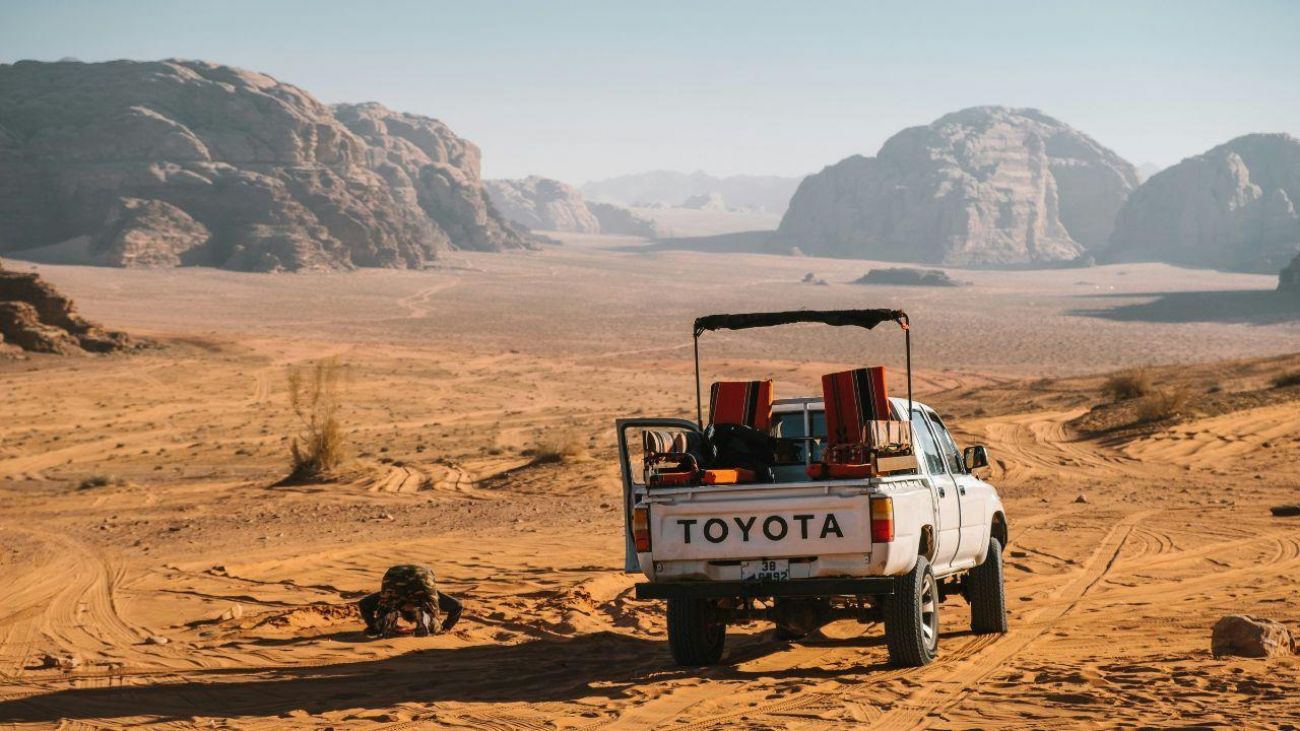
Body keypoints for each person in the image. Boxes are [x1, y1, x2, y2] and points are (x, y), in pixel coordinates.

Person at [357, 564, 463, 638]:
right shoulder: (430, 594)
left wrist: (373, 626)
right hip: (422, 579)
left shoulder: (394, 597)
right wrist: (445, 628)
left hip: (394, 577)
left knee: (386, 607)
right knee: (432, 617)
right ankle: (427, 618)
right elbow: (457, 606)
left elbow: (363, 604)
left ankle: (386, 619)